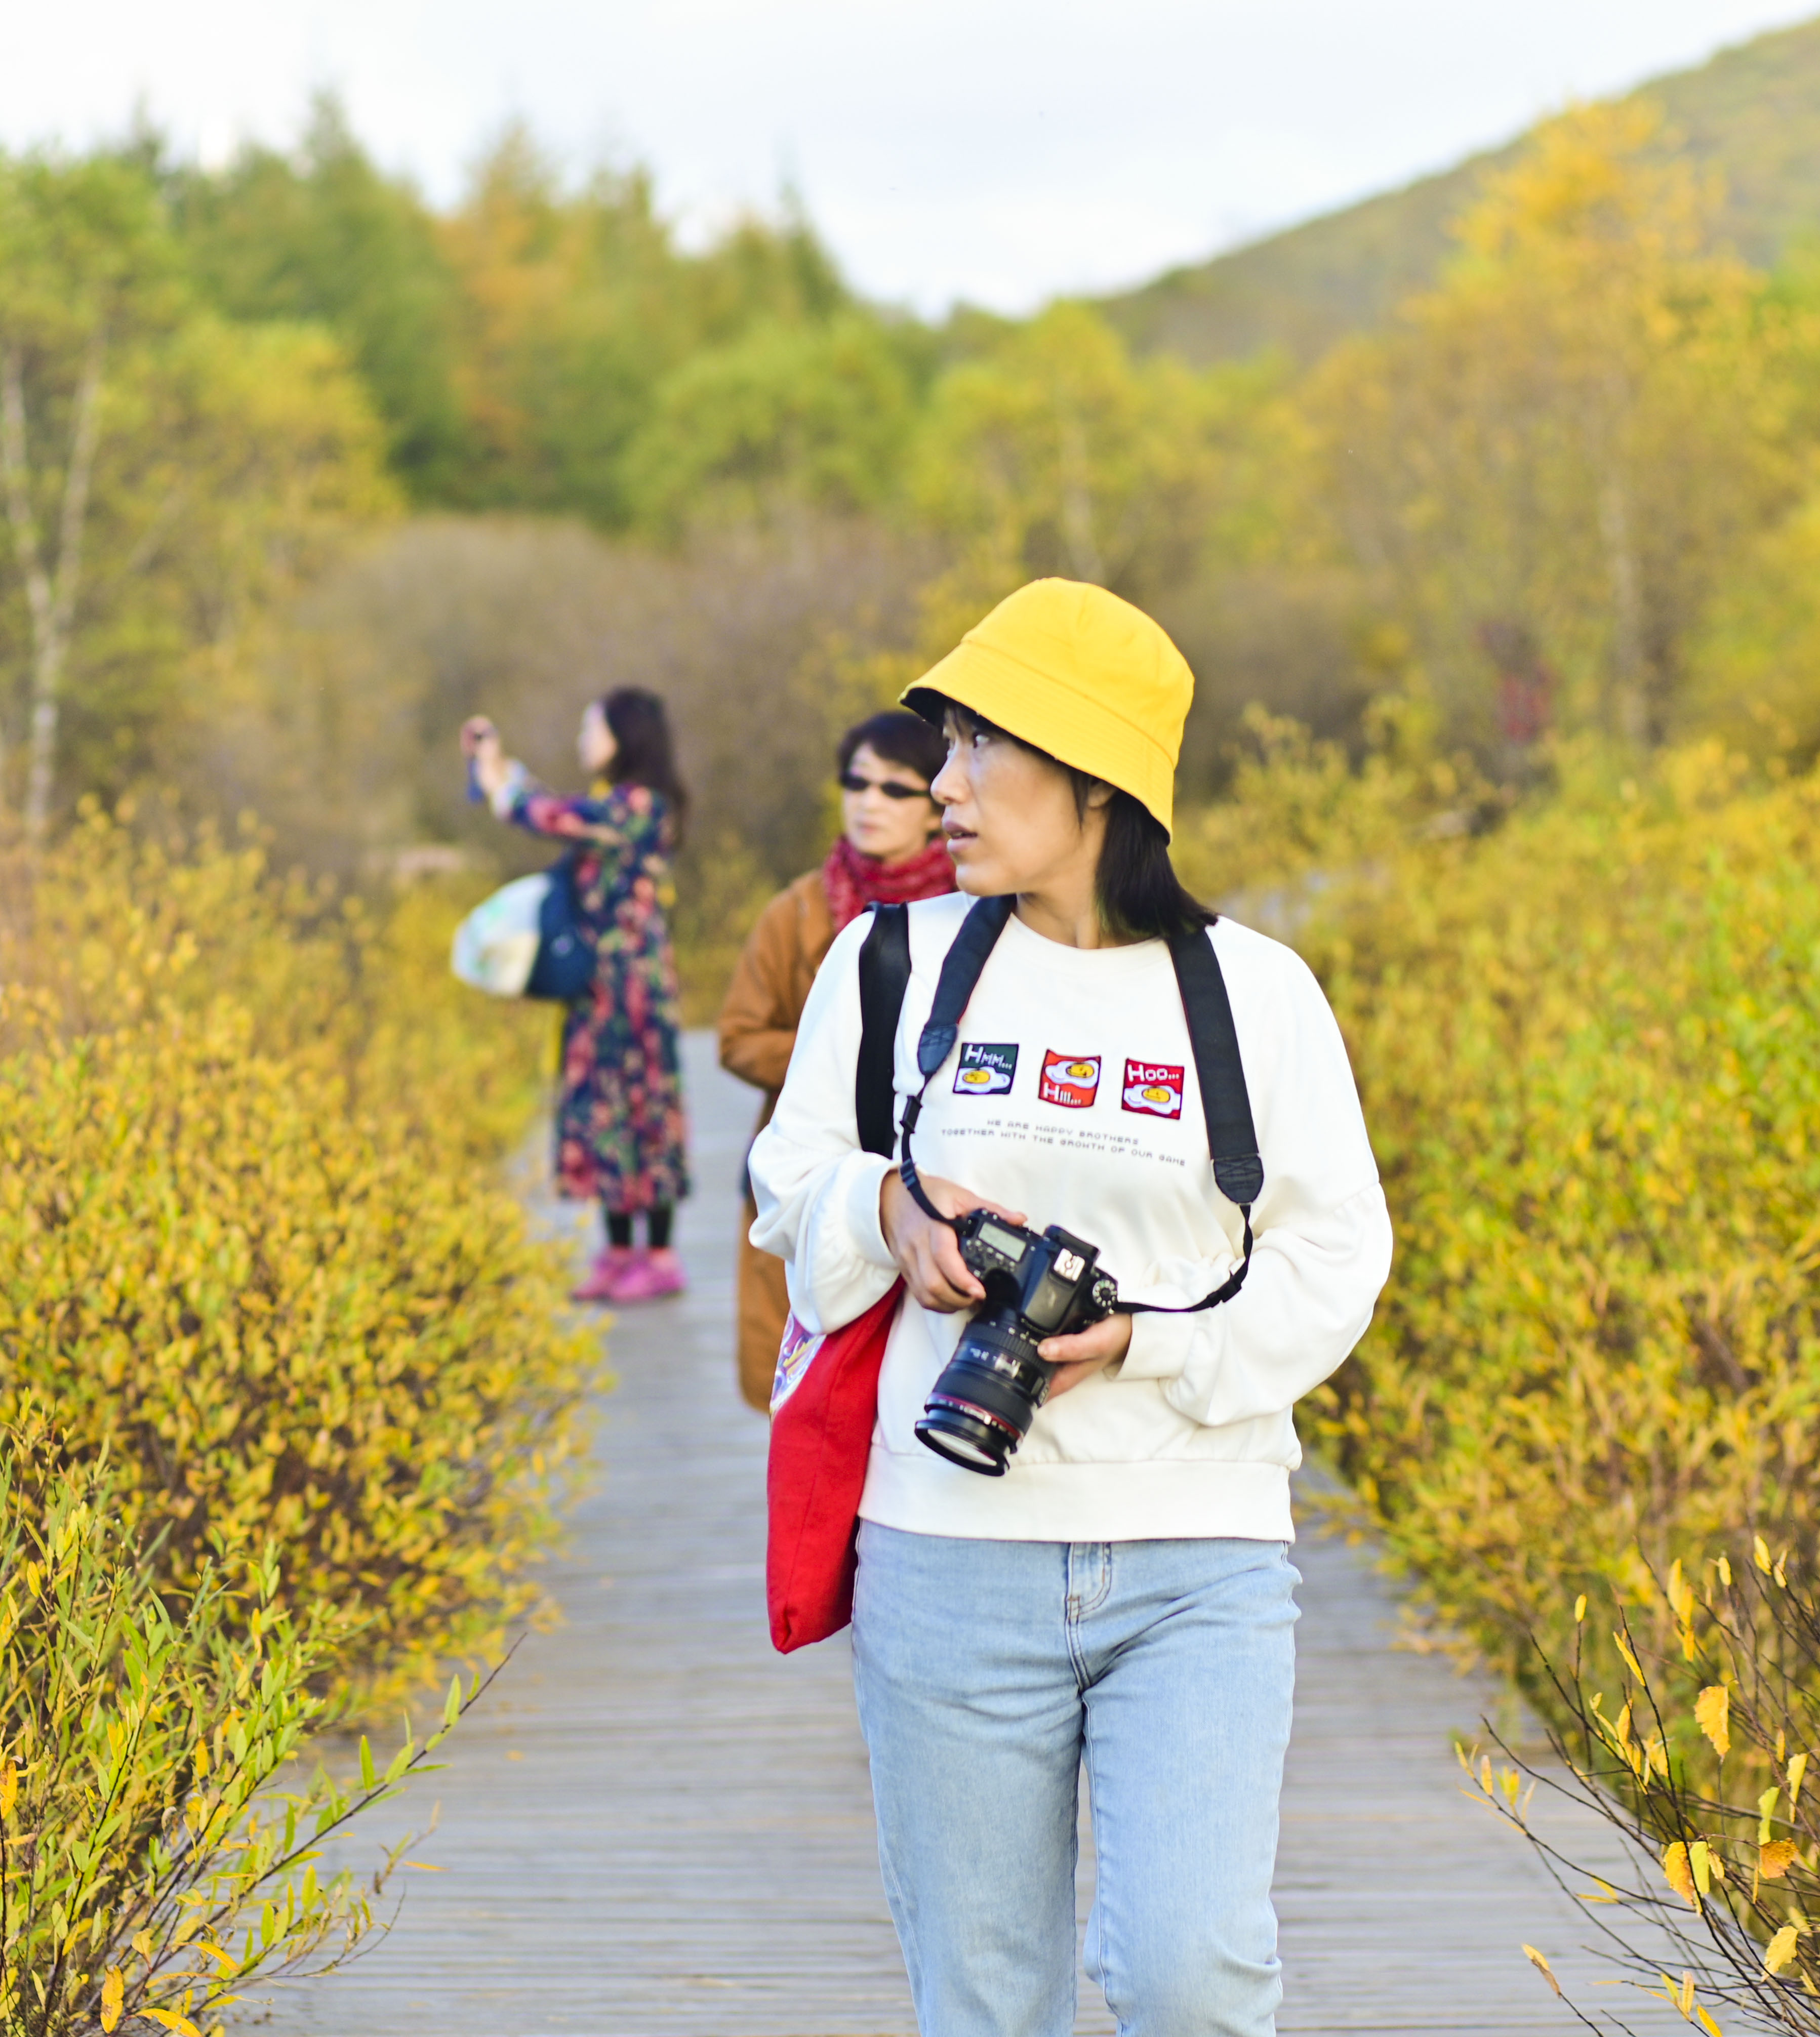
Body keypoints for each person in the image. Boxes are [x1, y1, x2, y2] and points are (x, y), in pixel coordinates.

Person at [747, 580, 1391, 2037]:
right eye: (943, 750)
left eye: (983, 749)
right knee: (985, 2003)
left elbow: (1336, 1254)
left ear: (1096, 779)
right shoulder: (894, 962)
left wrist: (1157, 1339)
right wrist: (889, 1214)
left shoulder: (1257, 995)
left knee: (1192, 1974)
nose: (944, 787)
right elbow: (789, 1177)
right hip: (945, 1551)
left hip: (1200, 1558)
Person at [718, 710, 957, 1410]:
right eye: (856, 782)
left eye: (894, 788)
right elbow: (737, 1035)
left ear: (935, 803)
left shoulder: (977, 908)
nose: (868, 801)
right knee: (807, 1387)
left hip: (938, 1178)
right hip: (810, 1175)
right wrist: (858, 1053)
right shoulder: (796, 911)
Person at [462, 690, 693, 1302]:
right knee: (599, 1112)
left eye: (594, 727)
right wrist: (501, 771)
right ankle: (619, 1253)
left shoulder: (641, 805)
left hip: (635, 990)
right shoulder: (614, 804)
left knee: (641, 1111)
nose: (583, 739)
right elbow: (558, 809)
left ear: (627, 735)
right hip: (599, 986)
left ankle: (661, 1256)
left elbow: (550, 816)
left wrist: (500, 785)